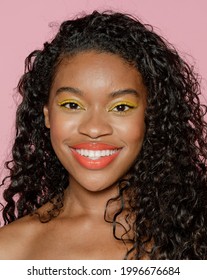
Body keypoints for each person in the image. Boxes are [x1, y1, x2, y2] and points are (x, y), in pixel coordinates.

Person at [0, 10, 207, 260]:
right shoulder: (9, 251)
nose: (95, 129)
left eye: (121, 107)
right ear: (47, 115)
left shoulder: (196, 235)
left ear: (151, 116)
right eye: (72, 105)